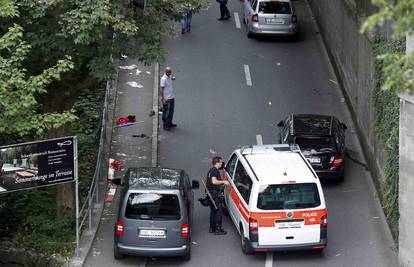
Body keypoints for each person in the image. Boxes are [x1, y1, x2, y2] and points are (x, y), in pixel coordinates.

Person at [206, 156, 230, 235]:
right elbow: (214, 181)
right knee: (218, 211)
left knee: (213, 211)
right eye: (220, 162)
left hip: (211, 194)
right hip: (215, 194)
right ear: (217, 163)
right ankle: (218, 229)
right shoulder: (215, 171)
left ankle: (212, 228)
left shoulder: (210, 170)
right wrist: (224, 182)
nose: (221, 163)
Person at [160, 67, 177, 131]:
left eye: (171, 72)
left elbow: (173, 78)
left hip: (171, 96)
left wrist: (172, 76)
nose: (170, 73)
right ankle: (165, 125)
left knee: (171, 111)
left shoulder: (169, 76)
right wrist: (162, 98)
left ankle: (170, 123)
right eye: (169, 72)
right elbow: (161, 89)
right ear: (166, 72)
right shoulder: (163, 79)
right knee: (166, 112)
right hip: (167, 98)